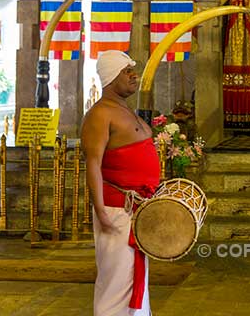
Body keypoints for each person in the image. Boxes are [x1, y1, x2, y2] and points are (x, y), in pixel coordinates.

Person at [81, 50, 160, 315]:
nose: (134, 76)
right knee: (116, 280)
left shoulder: (123, 109)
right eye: (127, 71)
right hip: (117, 210)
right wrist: (101, 211)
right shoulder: (100, 114)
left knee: (134, 276)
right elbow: (93, 163)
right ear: (112, 77)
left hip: (138, 208)